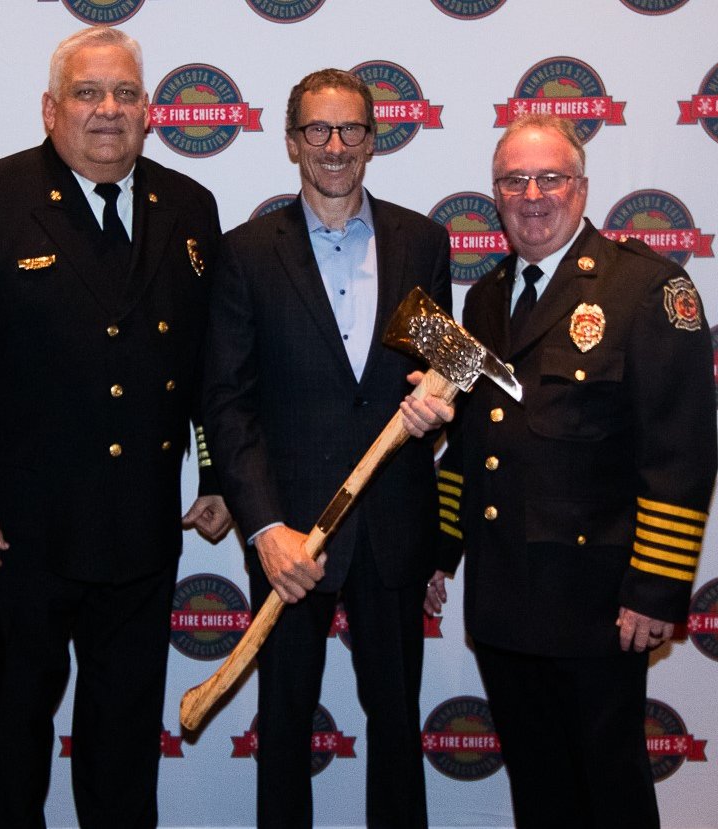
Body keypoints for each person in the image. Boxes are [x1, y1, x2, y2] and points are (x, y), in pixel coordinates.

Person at [0, 27, 230, 829]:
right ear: (52, 109)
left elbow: (209, 364)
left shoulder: (189, 207)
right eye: (88, 93)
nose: (107, 110)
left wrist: (216, 473)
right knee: (9, 732)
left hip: (140, 530)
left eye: (124, 94)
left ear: (150, 111)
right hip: (17, 535)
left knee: (122, 741)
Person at [436, 113, 718, 828]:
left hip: (598, 604)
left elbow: (680, 452)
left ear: (582, 187)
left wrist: (655, 586)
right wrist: (438, 550)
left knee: (610, 787)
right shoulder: (485, 297)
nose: (532, 195)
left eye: (550, 178)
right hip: (504, 597)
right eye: (513, 180)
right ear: (494, 194)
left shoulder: (647, 290)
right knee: (540, 790)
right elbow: (474, 439)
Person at [202, 69, 454, 828]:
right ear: (291, 142)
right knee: (282, 726)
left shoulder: (423, 240)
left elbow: (447, 366)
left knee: (397, 726)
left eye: (351, 130)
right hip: (290, 537)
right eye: (318, 130)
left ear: (374, 141)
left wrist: (444, 400)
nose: (335, 146)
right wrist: (264, 529)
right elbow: (228, 402)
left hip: (393, 529)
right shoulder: (246, 252)